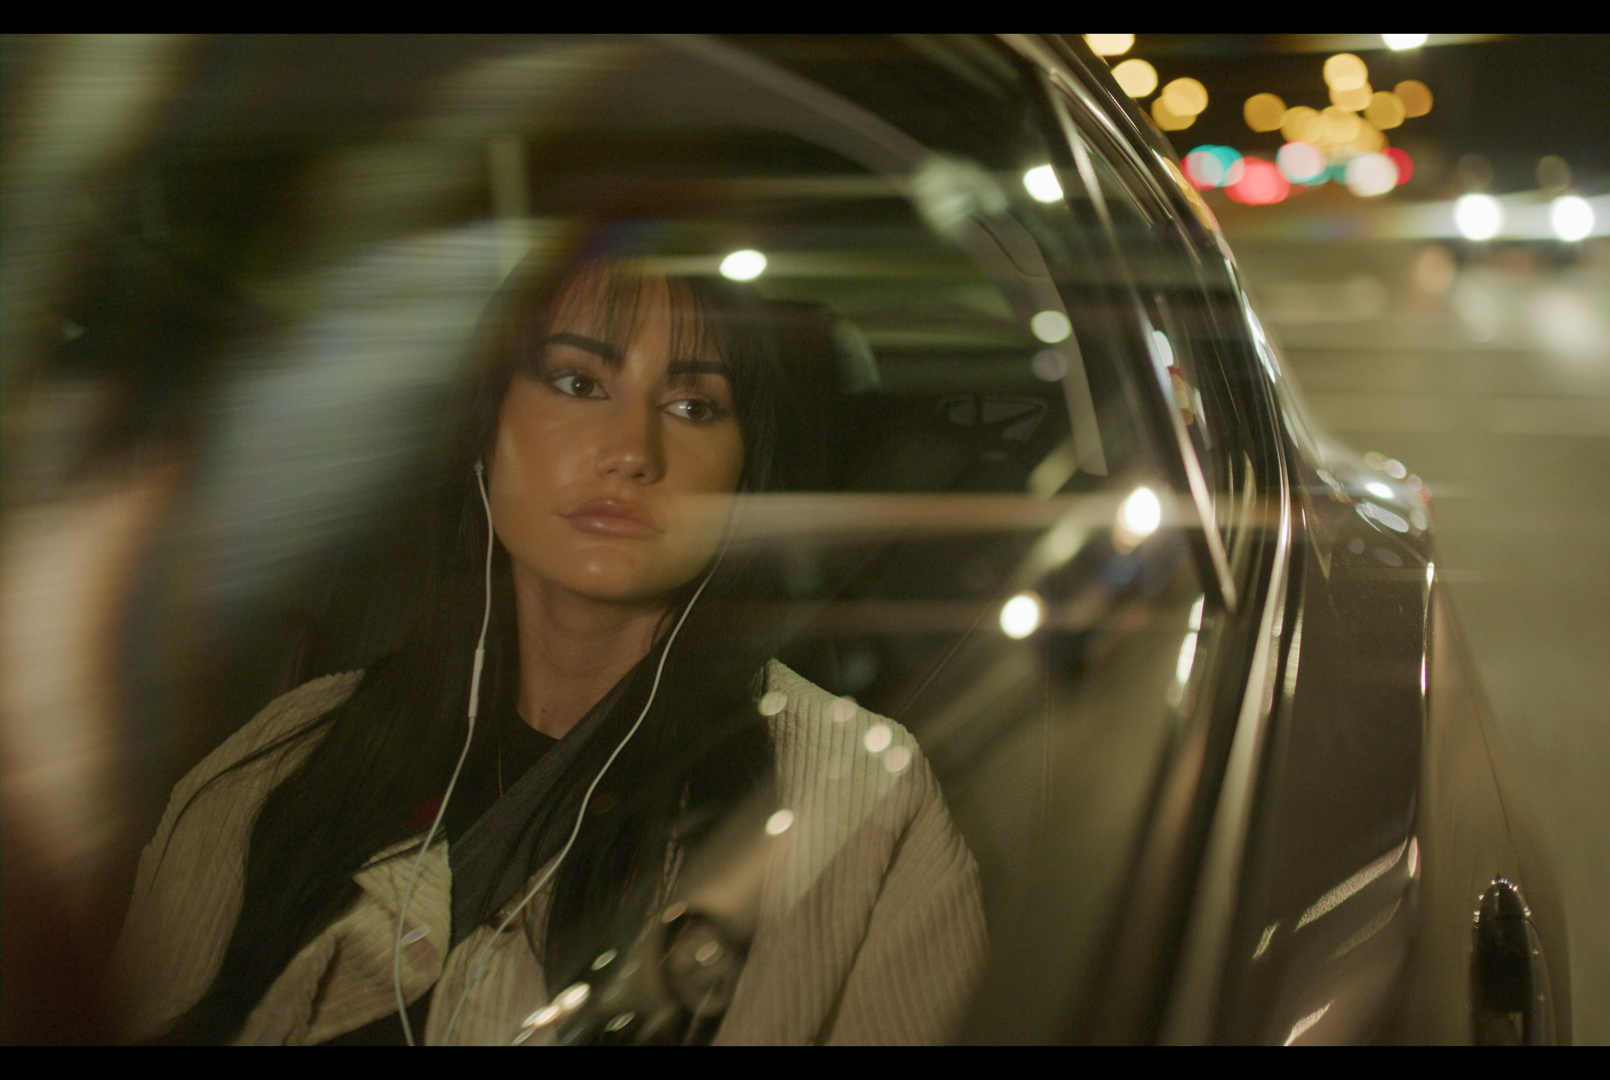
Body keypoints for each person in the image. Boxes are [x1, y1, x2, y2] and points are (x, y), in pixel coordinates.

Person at [109, 237, 986, 1045]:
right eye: (577, 383)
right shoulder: (286, 758)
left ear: (743, 476)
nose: (631, 452)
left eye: (691, 404)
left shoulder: (854, 797)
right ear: (486, 432)